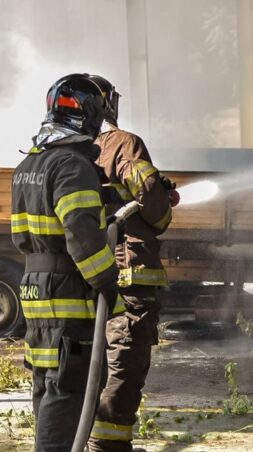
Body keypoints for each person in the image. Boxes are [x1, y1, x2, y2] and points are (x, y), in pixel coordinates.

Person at [11, 73, 125, 451]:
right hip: (68, 293)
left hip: (36, 288)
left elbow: (56, 215)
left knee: (49, 382)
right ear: (88, 116)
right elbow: (81, 235)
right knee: (69, 390)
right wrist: (107, 281)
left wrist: (108, 201)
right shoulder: (73, 166)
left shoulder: (31, 164)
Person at [87, 75, 177, 452]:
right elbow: (152, 201)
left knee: (88, 366)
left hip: (90, 275)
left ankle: (86, 440)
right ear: (108, 104)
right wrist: (161, 203)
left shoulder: (71, 152)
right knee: (123, 364)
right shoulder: (123, 143)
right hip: (130, 276)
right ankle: (107, 447)